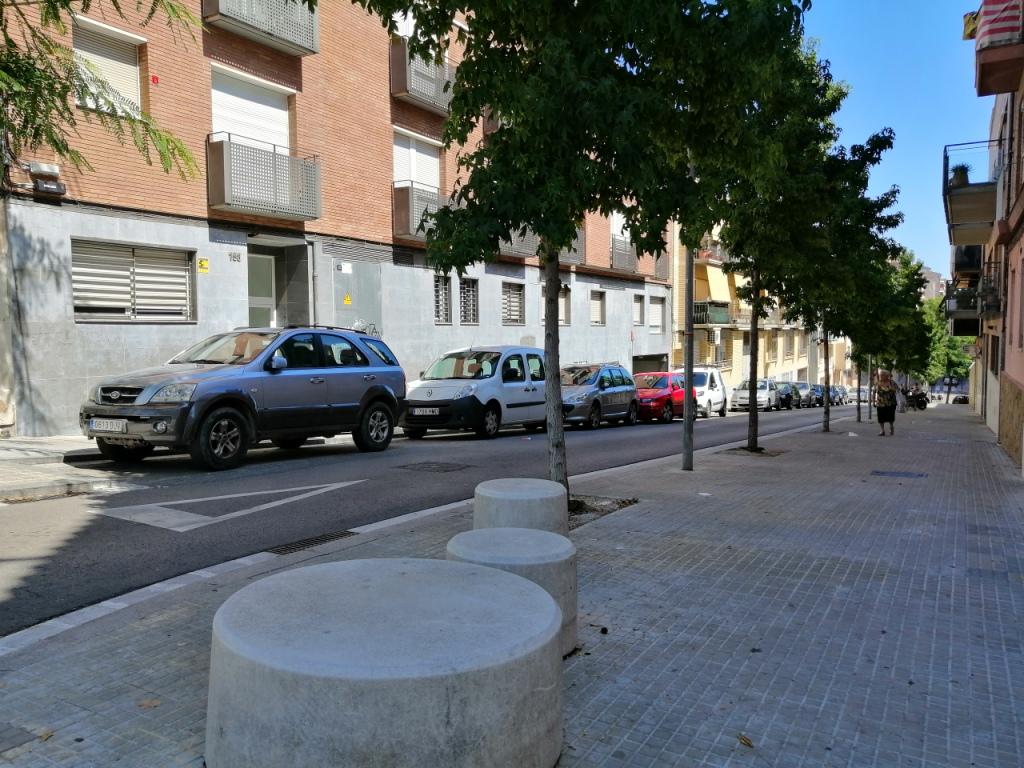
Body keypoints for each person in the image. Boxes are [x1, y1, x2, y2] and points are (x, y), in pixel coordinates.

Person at [874, 369, 898, 436]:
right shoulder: (878, 382)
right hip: (880, 403)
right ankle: (882, 430)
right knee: (880, 417)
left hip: (890, 403)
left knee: (890, 417)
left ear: (886, 376)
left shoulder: (891, 382)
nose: (881, 376)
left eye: (882, 375)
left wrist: (891, 388)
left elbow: (896, 390)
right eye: (880, 375)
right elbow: (874, 391)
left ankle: (891, 427)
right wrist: (873, 401)